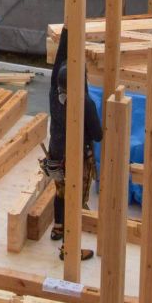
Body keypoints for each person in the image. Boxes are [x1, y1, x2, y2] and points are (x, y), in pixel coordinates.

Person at [44, 28, 102, 260]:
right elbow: (97, 134)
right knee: (75, 201)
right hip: (75, 158)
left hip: (55, 155)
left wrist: (70, 29)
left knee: (60, 191)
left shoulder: (53, 93)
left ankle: (58, 226)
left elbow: (59, 66)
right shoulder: (84, 103)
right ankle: (69, 250)